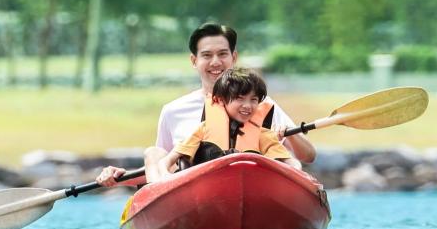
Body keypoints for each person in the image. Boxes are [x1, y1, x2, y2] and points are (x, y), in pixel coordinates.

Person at [96, 21, 315, 187]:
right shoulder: (174, 111)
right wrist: (121, 178)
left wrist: (290, 134)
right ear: (194, 61)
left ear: (234, 57)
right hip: (193, 191)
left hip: (254, 185)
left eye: (222, 54)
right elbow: (162, 168)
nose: (216, 62)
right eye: (207, 55)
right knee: (153, 152)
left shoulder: (262, 105)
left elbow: (306, 157)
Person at [144, 67, 298, 185]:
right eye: (240, 98)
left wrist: (293, 177)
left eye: (254, 100)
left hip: (250, 186)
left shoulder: (263, 134)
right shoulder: (204, 129)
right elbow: (167, 161)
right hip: (204, 187)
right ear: (222, 100)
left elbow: (293, 164)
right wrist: (165, 175)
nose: (247, 106)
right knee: (152, 154)